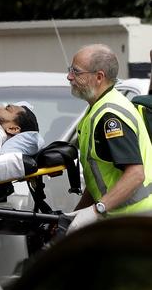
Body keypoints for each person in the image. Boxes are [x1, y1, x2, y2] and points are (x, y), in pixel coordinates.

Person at [65, 44, 152, 234]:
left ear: (99, 77)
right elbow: (100, 179)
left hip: (136, 222)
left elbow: (136, 174)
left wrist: (98, 209)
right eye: (70, 70)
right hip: (122, 221)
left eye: (76, 72)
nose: (69, 77)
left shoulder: (110, 115)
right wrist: (79, 213)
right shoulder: (96, 109)